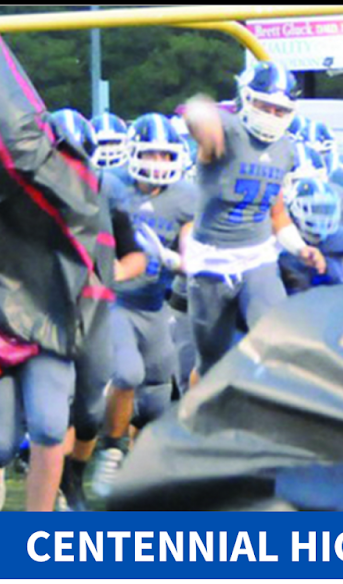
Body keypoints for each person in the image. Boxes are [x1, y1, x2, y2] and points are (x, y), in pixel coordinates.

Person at [181, 60, 323, 380]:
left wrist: (300, 248)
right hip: (211, 261)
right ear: (245, 98)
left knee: (276, 338)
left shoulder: (286, 148)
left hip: (257, 256)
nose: (272, 115)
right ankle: (199, 421)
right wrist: (202, 114)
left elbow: (276, 211)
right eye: (265, 105)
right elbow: (196, 114)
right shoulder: (228, 132)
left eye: (280, 110)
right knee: (210, 364)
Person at [89, 113, 197, 500]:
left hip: (157, 304)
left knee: (154, 400)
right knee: (127, 374)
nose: (157, 163)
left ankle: (131, 453)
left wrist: (176, 261)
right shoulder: (110, 185)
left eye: (165, 155)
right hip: (115, 300)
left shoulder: (185, 196)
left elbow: (190, 253)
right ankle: (112, 451)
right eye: (150, 153)